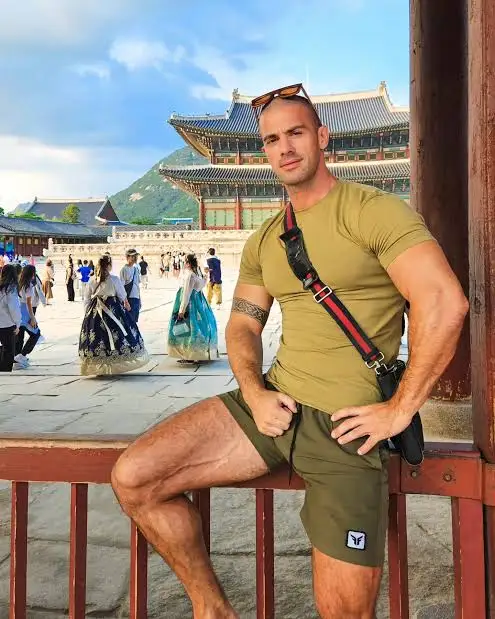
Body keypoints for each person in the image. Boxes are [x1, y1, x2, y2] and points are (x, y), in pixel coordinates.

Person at [110, 86, 469, 619]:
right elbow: (242, 325)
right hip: (277, 402)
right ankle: (213, 608)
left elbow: (445, 301)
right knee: (135, 477)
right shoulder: (267, 239)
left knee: (343, 612)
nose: (285, 147)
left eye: (296, 133)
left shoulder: (374, 212)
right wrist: (254, 392)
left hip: (348, 424)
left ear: (322, 137)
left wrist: (400, 408)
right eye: (272, 139)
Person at [79, 254, 149, 376]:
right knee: (116, 336)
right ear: (109, 266)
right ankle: (114, 363)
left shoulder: (92, 281)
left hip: (95, 312)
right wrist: (126, 305)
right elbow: (122, 295)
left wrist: (87, 314)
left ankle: (100, 366)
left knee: (98, 338)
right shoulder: (114, 279)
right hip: (113, 311)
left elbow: (87, 299)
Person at [167, 253, 218, 364]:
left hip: (189, 304)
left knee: (188, 328)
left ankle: (189, 354)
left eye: (185, 262)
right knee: (196, 327)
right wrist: (206, 275)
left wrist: (181, 310)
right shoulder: (195, 274)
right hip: (198, 302)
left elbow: (186, 293)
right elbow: (201, 285)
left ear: (188, 264)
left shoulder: (190, 275)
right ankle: (196, 353)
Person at [14, 264, 41, 369]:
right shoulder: (28, 285)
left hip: (19, 310)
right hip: (26, 311)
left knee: (20, 336)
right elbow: (29, 303)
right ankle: (22, 355)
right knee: (36, 334)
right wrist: (32, 317)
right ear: (32, 273)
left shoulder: (19, 283)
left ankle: (17, 359)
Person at [0, 264, 21, 372]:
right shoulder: (10, 289)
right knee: (8, 351)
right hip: (7, 324)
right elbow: (14, 308)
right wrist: (17, 324)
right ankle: (5, 373)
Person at [120, 249, 141, 323]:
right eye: (132, 256)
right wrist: (125, 301)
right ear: (127, 257)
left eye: (135, 256)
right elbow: (121, 287)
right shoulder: (124, 269)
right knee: (128, 322)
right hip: (129, 299)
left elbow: (137, 285)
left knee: (134, 322)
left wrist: (139, 299)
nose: (134, 258)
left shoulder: (136, 269)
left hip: (136, 298)